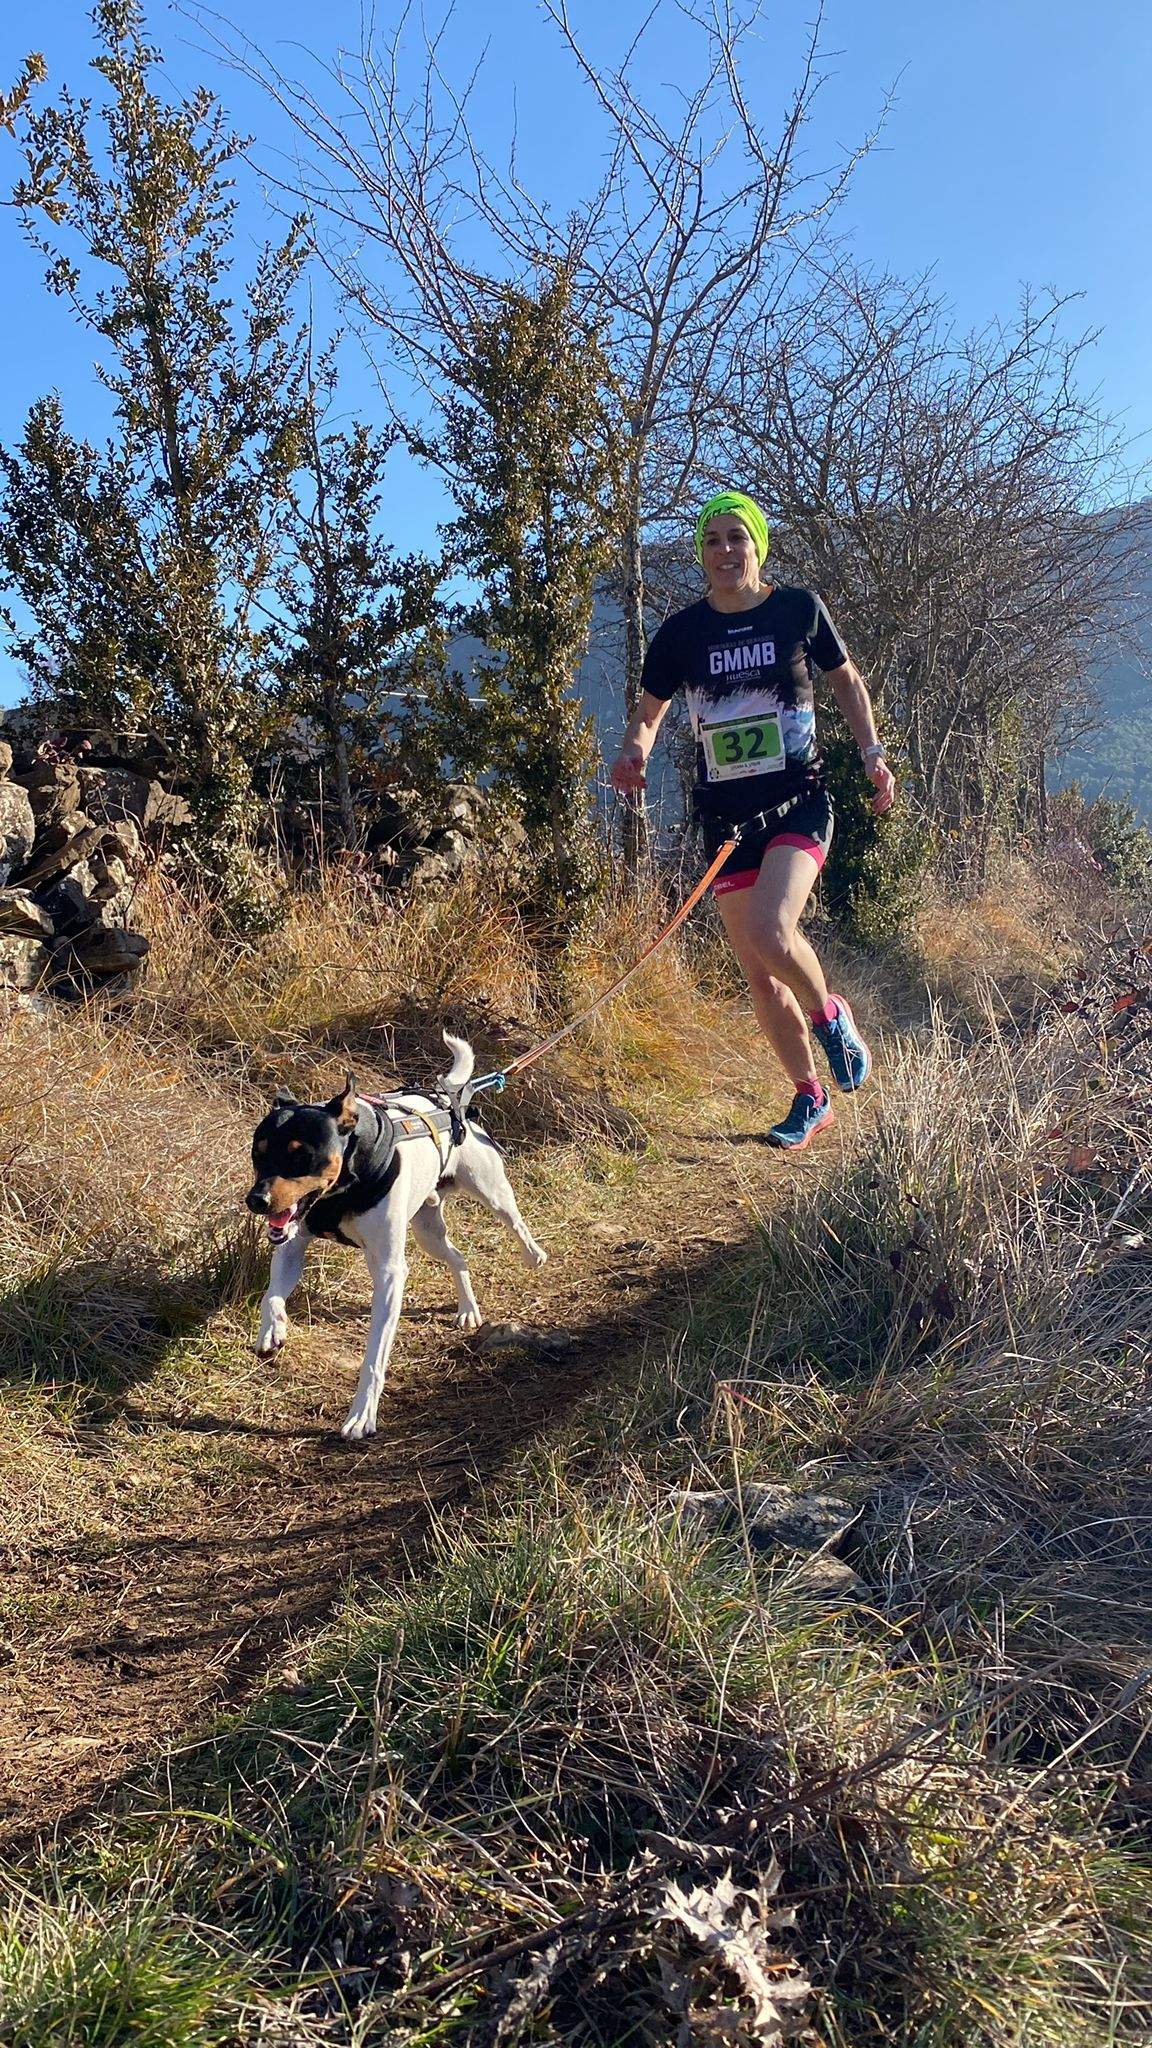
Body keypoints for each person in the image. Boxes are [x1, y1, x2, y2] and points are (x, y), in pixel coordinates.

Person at [609, 490, 895, 1149]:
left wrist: (873, 755)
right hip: (726, 818)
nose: (725, 551)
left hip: (797, 803)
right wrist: (633, 754)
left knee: (772, 929)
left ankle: (830, 1017)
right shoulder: (683, 632)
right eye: (713, 540)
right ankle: (808, 1097)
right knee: (759, 971)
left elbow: (846, 681)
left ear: (757, 547)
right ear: (702, 553)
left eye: (738, 538)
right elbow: (650, 711)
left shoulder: (798, 608)